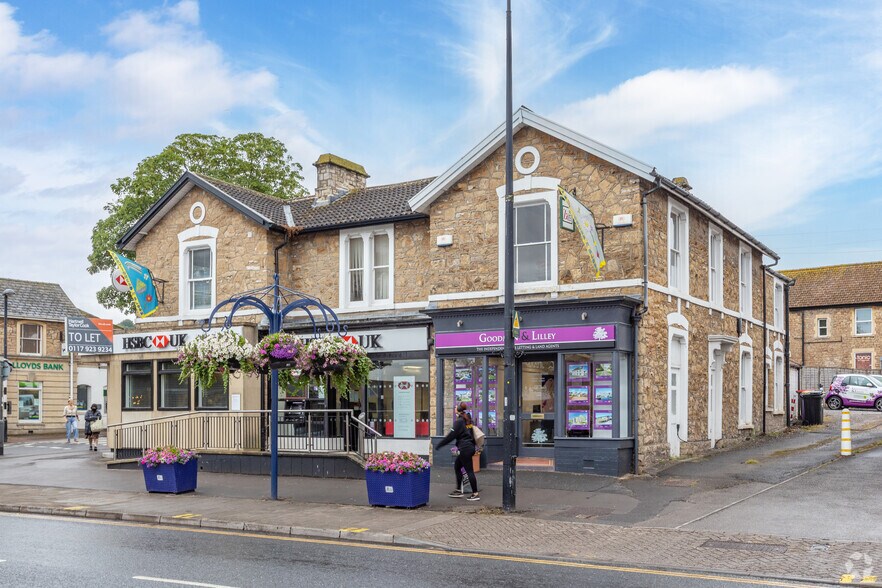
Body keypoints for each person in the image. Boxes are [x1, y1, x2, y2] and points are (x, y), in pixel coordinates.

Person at [435, 401, 480, 501]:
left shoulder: (459, 422)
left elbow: (451, 436)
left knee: (469, 471)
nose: (454, 408)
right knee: (457, 466)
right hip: (469, 447)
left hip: (465, 448)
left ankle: (475, 493)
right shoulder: (467, 419)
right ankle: (459, 490)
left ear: (458, 410)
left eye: (455, 407)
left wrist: (439, 444)